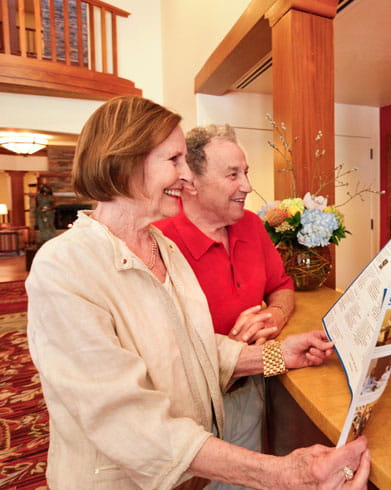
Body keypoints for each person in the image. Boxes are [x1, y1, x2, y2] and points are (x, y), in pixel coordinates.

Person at [25, 95, 370, 489]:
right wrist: (279, 473)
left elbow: (196, 349)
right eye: (174, 161)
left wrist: (278, 355)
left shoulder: (162, 248)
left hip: (192, 473)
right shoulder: (65, 267)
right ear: (124, 160)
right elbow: (123, 419)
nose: (187, 178)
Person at [155, 125, 294, 488]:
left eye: (245, 172)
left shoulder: (251, 225)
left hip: (248, 391)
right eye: (233, 174)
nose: (247, 185)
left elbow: (282, 287)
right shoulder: (160, 244)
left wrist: (274, 316)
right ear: (190, 182)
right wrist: (283, 355)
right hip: (191, 406)